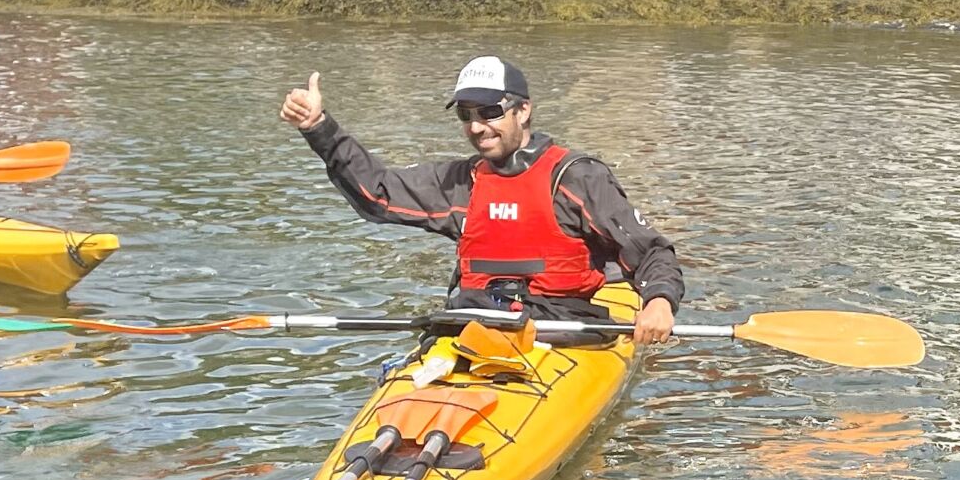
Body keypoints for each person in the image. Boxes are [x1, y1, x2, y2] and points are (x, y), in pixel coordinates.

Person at [277, 55, 681, 344]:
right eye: (465, 115)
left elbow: (651, 253)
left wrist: (659, 302)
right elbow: (376, 194)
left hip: (561, 331)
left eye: (489, 111)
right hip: (474, 325)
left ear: (523, 111)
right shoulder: (461, 182)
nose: (476, 126)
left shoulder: (575, 176)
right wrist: (319, 129)